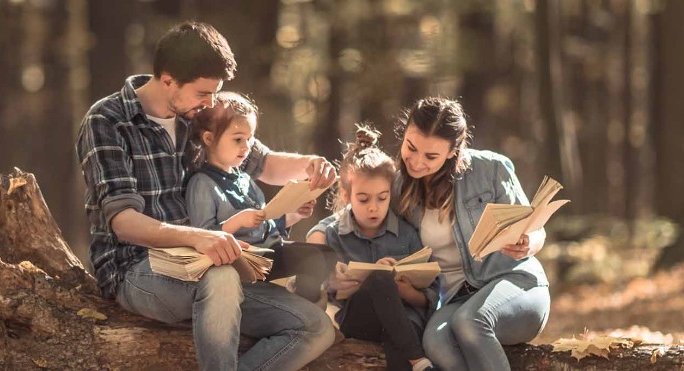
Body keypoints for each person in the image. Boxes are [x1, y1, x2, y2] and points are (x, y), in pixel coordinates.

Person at [75, 21, 337, 370]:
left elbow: (264, 164)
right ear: (168, 80)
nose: (210, 102)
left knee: (315, 327)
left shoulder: (196, 115)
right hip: (137, 270)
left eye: (215, 93)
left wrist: (311, 165)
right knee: (222, 277)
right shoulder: (107, 121)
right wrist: (200, 237)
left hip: (211, 266)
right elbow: (124, 222)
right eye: (203, 93)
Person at [392, 97, 551, 370]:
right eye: (411, 147)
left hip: (517, 285)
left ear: (452, 151)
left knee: (471, 321)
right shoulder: (398, 188)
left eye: (431, 156)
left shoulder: (490, 169)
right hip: (456, 299)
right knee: (435, 342)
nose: (416, 162)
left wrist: (528, 243)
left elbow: (536, 230)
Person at [185, 91, 335, 303]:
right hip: (249, 258)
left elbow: (265, 221)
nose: (246, 147)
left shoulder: (244, 178)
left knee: (327, 254)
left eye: (249, 139)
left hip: (271, 248)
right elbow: (203, 236)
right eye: (238, 139)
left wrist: (294, 215)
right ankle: (302, 304)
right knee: (313, 259)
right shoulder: (202, 183)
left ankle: (302, 299)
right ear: (209, 139)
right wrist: (238, 221)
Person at [307, 126, 434, 371]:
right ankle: (419, 361)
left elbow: (428, 297)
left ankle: (415, 361)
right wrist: (336, 282)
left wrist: (406, 291)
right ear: (346, 195)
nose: (373, 207)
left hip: (406, 320)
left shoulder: (407, 234)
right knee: (379, 278)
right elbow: (327, 293)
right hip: (359, 321)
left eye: (382, 198)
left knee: (399, 331)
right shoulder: (333, 235)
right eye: (363, 199)